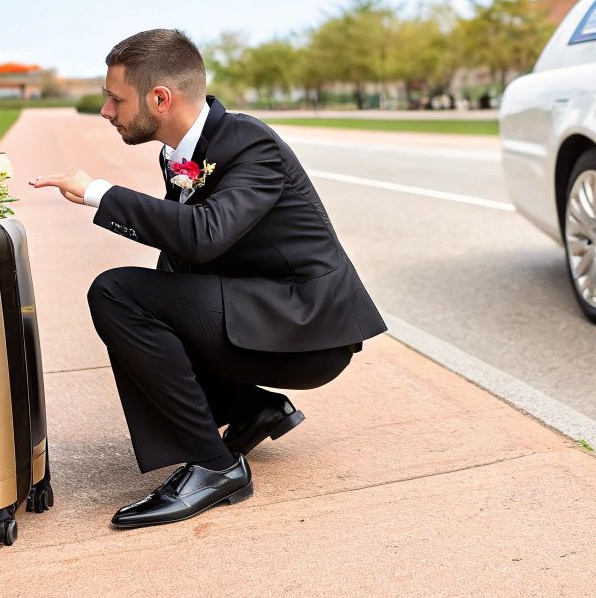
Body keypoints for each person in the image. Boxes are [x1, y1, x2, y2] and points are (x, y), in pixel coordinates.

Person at [30, 29, 387, 529]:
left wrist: (100, 193)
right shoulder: (174, 155)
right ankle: (254, 411)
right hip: (260, 314)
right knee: (146, 297)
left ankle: (217, 468)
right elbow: (185, 257)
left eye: (115, 99)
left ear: (160, 98)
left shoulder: (250, 142)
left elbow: (204, 233)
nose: (107, 111)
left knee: (116, 292)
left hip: (307, 331)